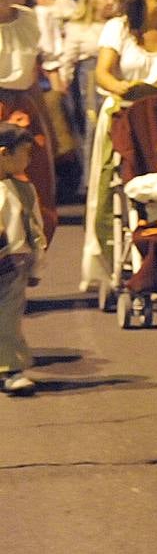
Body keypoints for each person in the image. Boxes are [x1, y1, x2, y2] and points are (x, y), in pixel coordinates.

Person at [80, 0, 157, 295]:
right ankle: (154, 257)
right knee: (139, 181)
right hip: (130, 115)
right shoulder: (119, 29)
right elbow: (103, 73)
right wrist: (122, 88)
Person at [0, 0, 57, 242]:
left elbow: (32, 76)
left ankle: (29, 256)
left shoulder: (28, 19)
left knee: (38, 186)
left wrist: (47, 124)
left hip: (25, 108)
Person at [0, 121, 45, 396]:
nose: (29, 159)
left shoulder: (25, 191)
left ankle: (12, 368)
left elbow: (35, 230)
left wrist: (36, 264)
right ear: (4, 153)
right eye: (25, 152)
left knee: (8, 317)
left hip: (13, 264)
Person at [60, 0, 117, 183]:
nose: (110, 2)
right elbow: (68, 58)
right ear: (92, 1)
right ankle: (91, 178)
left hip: (115, 75)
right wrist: (63, 82)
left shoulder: (117, 24)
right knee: (93, 125)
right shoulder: (79, 28)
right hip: (90, 80)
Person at [25, 0, 78, 167]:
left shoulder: (61, 3)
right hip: (34, 74)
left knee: (61, 122)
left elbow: (51, 47)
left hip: (58, 68)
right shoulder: (28, 11)